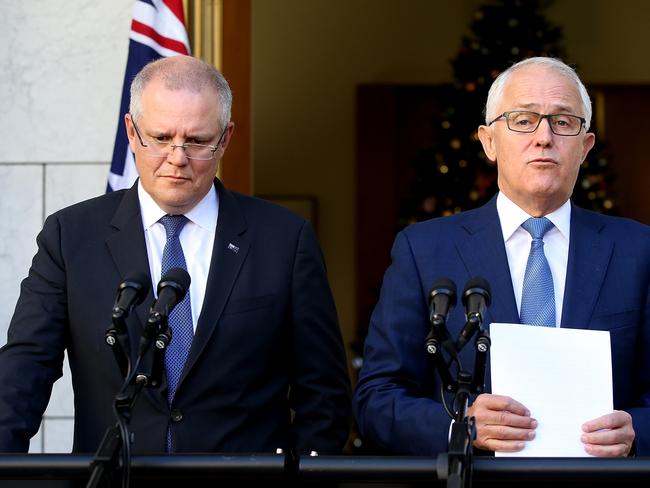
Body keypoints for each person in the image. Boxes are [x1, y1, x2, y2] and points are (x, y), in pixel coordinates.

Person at [0, 55, 351, 455]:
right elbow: (24, 370)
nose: (177, 157)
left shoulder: (284, 240)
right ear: (131, 133)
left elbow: (324, 392)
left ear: (226, 138)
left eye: (197, 141)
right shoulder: (71, 236)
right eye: (161, 137)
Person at [353, 57, 650, 457]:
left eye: (563, 122)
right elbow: (377, 397)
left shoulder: (638, 250)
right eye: (523, 120)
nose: (544, 137)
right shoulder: (425, 251)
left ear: (585, 146)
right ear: (488, 141)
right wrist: (462, 428)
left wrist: (636, 434)